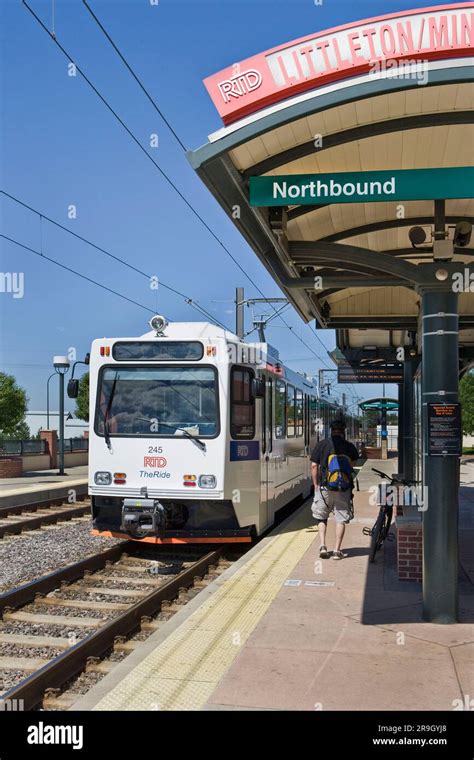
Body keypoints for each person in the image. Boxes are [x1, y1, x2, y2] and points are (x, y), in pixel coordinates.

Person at [310, 417, 359, 560]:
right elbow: (353, 464)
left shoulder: (322, 444)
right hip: (343, 488)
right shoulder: (349, 446)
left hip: (325, 487)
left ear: (331, 430)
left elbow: (314, 466)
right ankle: (337, 551)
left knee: (321, 517)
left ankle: (323, 546)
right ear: (343, 431)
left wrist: (316, 485)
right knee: (340, 519)